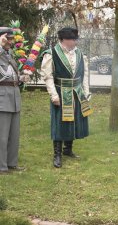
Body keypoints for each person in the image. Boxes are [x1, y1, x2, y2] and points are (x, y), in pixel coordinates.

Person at [41, 27, 92, 168]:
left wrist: (86, 92)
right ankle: (57, 154)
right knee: (59, 123)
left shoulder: (80, 54)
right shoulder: (51, 54)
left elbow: (84, 75)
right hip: (60, 92)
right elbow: (48, 76)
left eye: (76, 39)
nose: (75, 42)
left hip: (76, 92)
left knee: (73, 120)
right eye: (72, 40)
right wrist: (53, 95)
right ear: (63, 40)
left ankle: (68, 149)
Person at [0, 27, 30, 174]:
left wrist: (21, 78)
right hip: (2, 98)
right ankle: (1, 166)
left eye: (11, 39)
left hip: (14, 96)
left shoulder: (9, 54)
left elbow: (11, 74)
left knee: (14, 134)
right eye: (8, 39)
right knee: (2, 136)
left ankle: (12, 163)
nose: (11, 42)